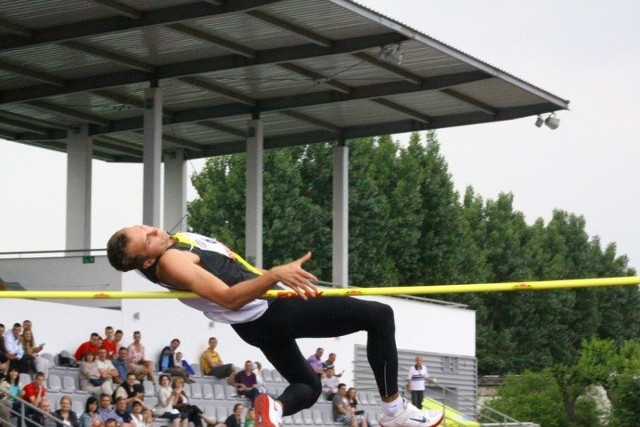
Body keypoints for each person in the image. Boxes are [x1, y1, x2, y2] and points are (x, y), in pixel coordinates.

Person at [107, 225, 444, 427]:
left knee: (308, 386)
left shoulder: (157, 251)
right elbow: (227, 298)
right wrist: (273, 275)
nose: (153, 231)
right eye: (148, 239)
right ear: (149, 260)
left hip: (257, 325)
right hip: (271, 310)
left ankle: (276, 408)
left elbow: (127, 256)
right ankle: (394, 412)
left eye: (145, 227)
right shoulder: (172, 261)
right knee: (379, 316)